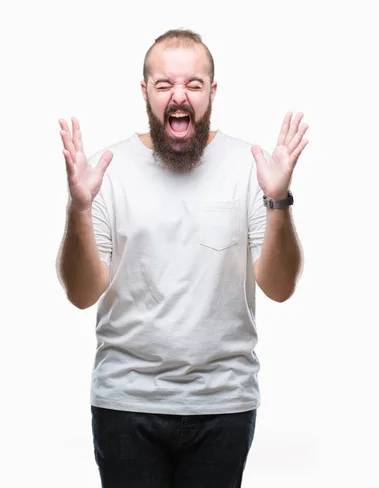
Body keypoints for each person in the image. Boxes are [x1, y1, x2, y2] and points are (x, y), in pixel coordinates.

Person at [56, 28, 308, 488]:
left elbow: (280, 286)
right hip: (125, 401)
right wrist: (78, 209)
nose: (179, 96)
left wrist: (278, 201)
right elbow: (80, 293)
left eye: (193, 85)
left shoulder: (250, 167)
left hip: (223, 403)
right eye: (164, 84)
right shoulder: (106, 171)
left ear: (212, 93)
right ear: (145, 92)